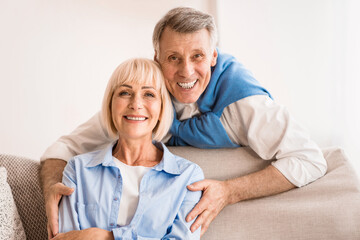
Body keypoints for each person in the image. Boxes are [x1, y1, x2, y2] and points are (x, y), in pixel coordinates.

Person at [41, 7, 327, 239]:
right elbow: (64, 147)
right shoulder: (140, 104)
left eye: (198, 56)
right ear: (158, 59)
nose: (186, 71)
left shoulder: (245, 103)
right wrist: (53, 188)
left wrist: (229, 191)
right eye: (173, 58)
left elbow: (310, 159)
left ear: (213, 56)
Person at [53, 58, 204, 240]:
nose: (136, 104)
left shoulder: (188, 177)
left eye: (149, 94)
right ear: (110, 104)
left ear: (162, 108)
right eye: (125, 93)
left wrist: (106, 237)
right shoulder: (77, 170)